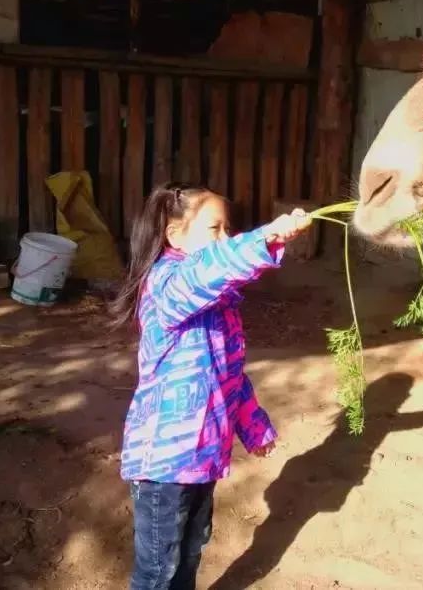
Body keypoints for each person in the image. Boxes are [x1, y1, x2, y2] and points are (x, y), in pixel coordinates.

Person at [109, 182, 312, 590]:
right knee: (157, 569)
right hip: (163, 464)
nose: (225, 238)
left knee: (191, 550)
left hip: (203, 457)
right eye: (214, 229)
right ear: (174, 235)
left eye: (228, 230)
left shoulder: (220, 307)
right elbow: (205, 273)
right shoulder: (167, 285)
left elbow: (230, 375)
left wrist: (255, 427)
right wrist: (265, 237)